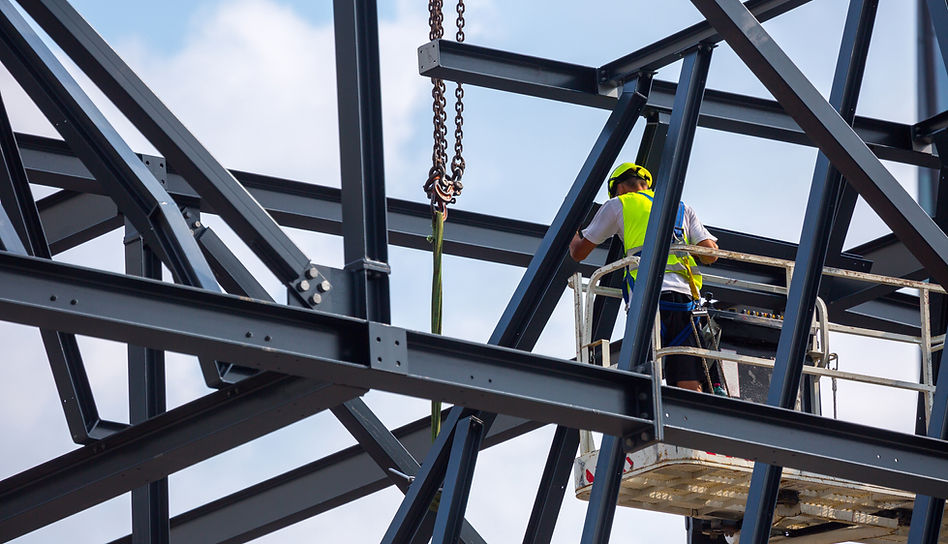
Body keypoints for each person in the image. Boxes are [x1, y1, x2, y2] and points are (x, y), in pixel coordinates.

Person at [569, 162, 719, 392]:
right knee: (689, 379)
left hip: (648, 301)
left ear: (618, 188)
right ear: (646, 185)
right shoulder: (680, 207)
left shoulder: (618, 205)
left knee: (640, 377)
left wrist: (570, 231)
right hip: (685, 302)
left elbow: (579, 252)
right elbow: (711, 254)